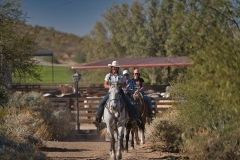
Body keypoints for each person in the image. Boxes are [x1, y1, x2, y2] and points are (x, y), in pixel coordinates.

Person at [94, 61, 140, 125]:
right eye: (113, 67)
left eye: (116, 67)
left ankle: (132, 118)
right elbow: (105, 85)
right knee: (102, 103)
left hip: (119, 91)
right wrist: (111, 86)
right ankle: (98, 118)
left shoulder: (121, 76)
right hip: (111, 91)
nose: (114, 69)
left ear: (118, 68)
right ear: (111, 68)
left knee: (128, 103)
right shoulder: (108, 75)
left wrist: (119, 84)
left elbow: (124, 85)